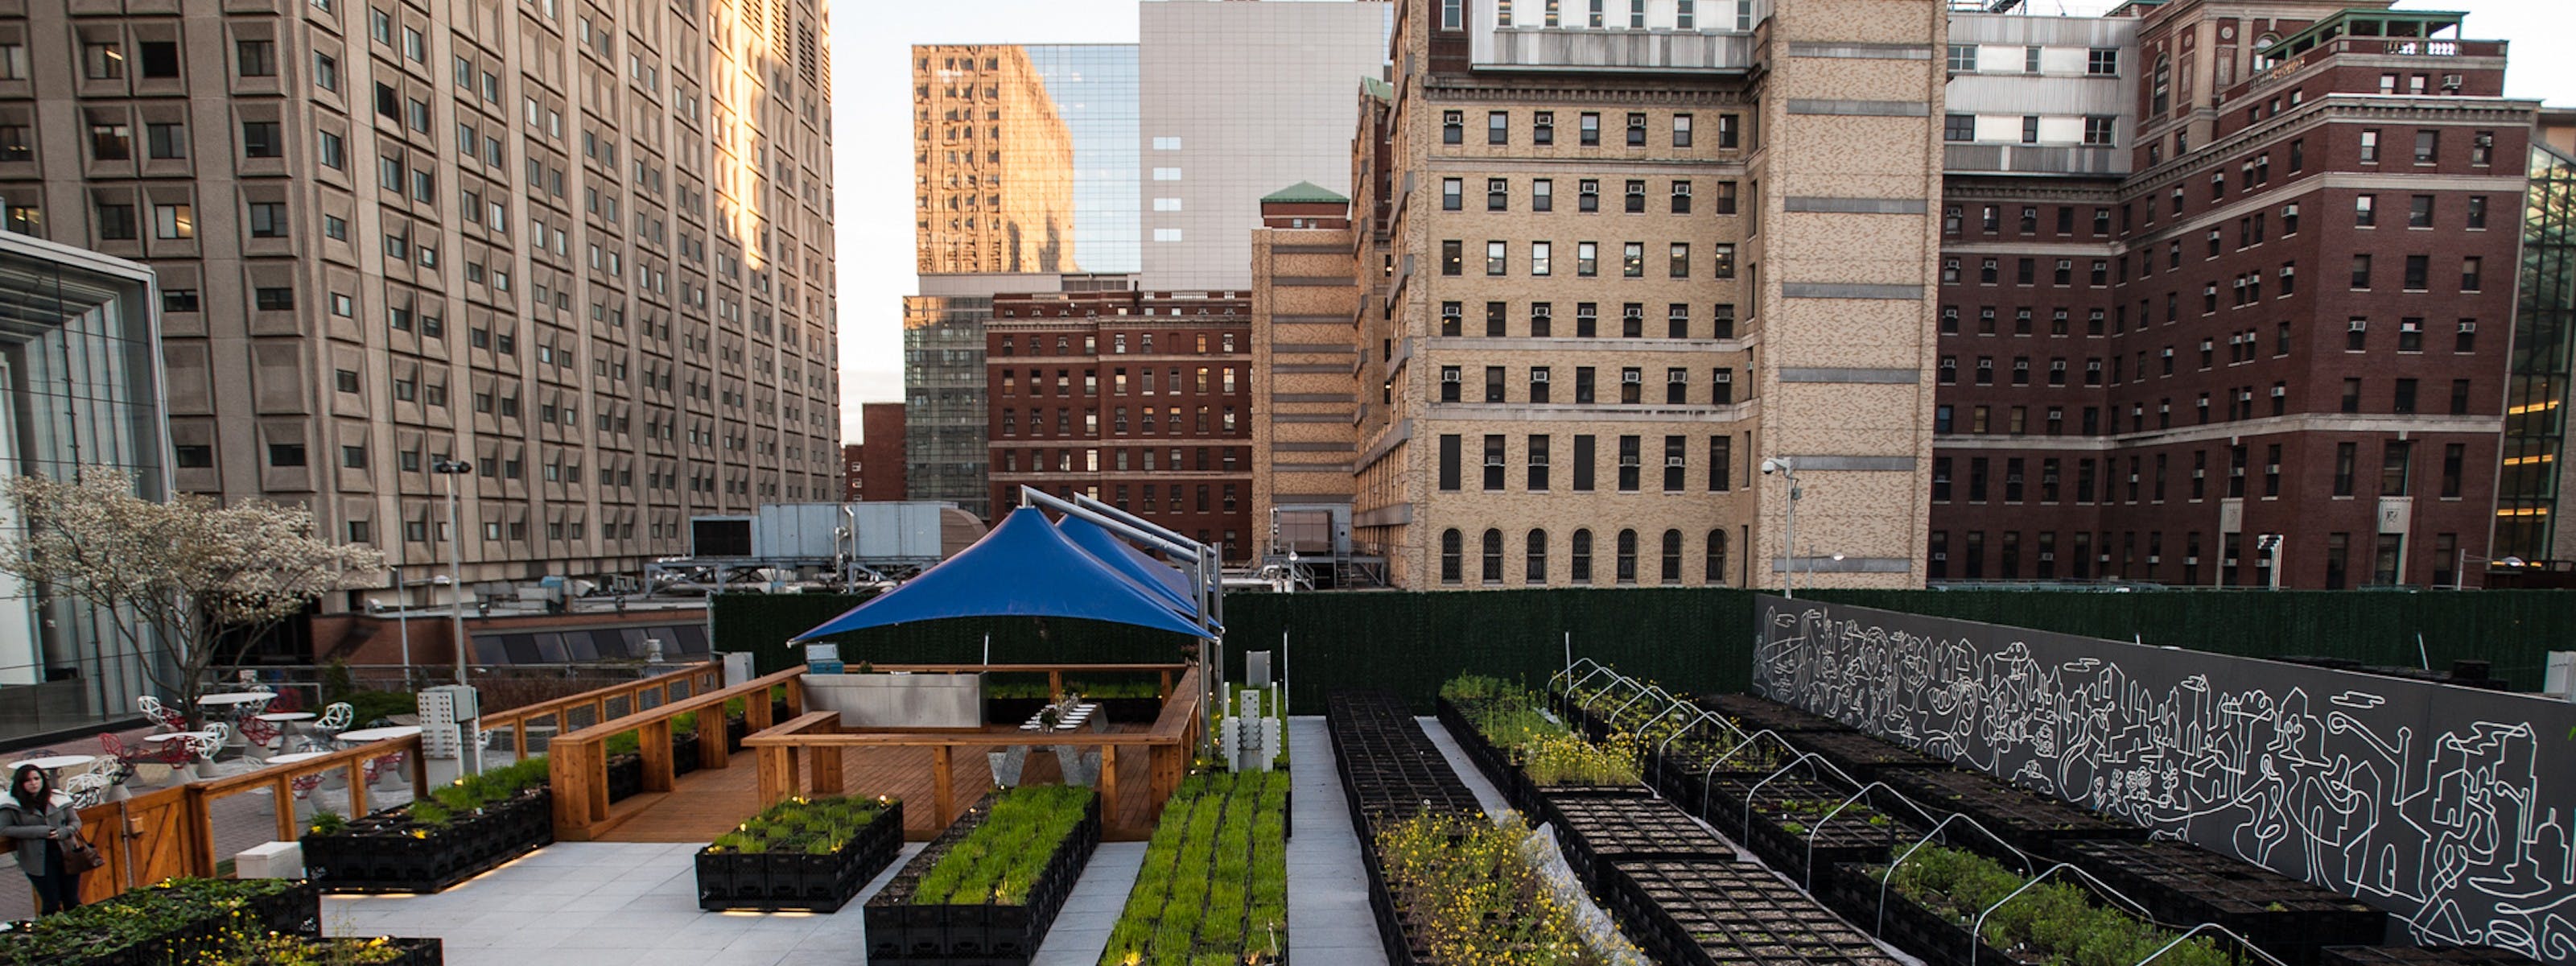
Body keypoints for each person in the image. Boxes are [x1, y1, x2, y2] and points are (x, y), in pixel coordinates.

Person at [1, 763, 83, 914]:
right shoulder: (11, 804)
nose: (33, 783)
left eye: (36, 778)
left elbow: (75, 822)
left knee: (72, 899)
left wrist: (64, 832)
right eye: (28, 781)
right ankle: (52, 933)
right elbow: (4, 829)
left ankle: (78, 931)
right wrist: (39, 831)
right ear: (20, 784)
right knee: (51, 901)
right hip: (37, 858)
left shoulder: (58, 798)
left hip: (66, 853)